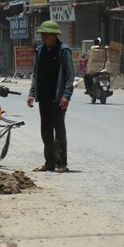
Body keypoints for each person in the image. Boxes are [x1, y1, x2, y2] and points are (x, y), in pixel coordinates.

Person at [27, 20, 74, 173]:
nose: (43, 37)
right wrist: (32, 93)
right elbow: (36, 74)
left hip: (58, 97)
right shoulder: (40, 51)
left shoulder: (63, 51)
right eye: (42, 34)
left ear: (54, 35)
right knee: (46, 130)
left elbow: (69, 76)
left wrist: (66, 95)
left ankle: (61, 164)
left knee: (58, 129)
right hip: (44, 97)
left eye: (46, 34)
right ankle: (49, 162)